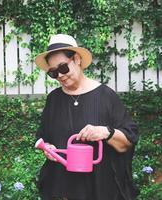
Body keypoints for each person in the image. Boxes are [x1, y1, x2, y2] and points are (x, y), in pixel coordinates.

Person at [35, 34, 139, 200]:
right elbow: (43, 137)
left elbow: (127, 141)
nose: (60, 76)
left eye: (63, 68)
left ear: (76, 59)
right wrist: (48, 148)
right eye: (53, 73)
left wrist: (106, 132)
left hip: (101, 189)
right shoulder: (53, 99)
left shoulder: (106, 96)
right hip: (63, 190)